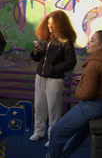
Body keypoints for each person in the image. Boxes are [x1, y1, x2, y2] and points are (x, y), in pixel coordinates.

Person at [46, 30, 102, 158]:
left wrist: (81, 86)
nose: (88, 43)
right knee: (80, 134)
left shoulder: (94, 63)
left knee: (57, 132)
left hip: (93, 106)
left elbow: (87, 94)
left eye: (92, 40)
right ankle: (64, 155)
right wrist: (84, 79)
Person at [29, 10, 77, 147]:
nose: (50, 27)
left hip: (54, 79)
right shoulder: (43, 38)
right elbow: (38, 58)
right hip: (40, 77)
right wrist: (35, 53)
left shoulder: (65, 42)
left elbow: (71, 61)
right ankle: (38, 131)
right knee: (39, 106)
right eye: (48, 23)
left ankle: (53, 136)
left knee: (54, 108)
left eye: (53, 24)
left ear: (60, 24)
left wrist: (55, 69)